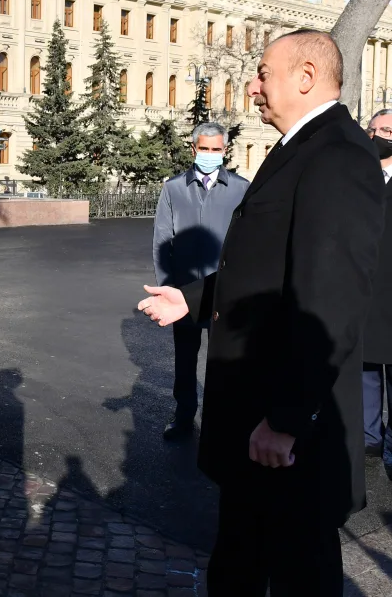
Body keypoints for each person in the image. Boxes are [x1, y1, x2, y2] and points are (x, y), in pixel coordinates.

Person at [137, 30, 383, 596]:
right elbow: (267, 267)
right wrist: (193, 299)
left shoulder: (339, 156)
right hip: (260, 425)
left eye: (264, 73)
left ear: (305, 76)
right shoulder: (302, 149)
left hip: (285, 435)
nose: (253, 86)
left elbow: (330, 298)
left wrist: (289, 419)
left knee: (298, 572)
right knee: (243, 561)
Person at [152, 122, 249, 440]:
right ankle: (183, 417)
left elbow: (250, 243)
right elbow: (162, 241)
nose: (210, 155)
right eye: (204, 149)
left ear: (224, 151)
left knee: (225, 361)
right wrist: (167, 289)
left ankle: (224, 421)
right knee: (185, 360)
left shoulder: (241, 189)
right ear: (193, 150)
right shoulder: (174, 188)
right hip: (183, 292)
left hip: (225, 292)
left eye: (216, 149)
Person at [362, 108, 392, 472]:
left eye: (387, 130)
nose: (381, 136)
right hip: (366, 293)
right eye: (375, 130)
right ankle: (368, 438)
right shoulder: (359, 178)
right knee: (365, 372)